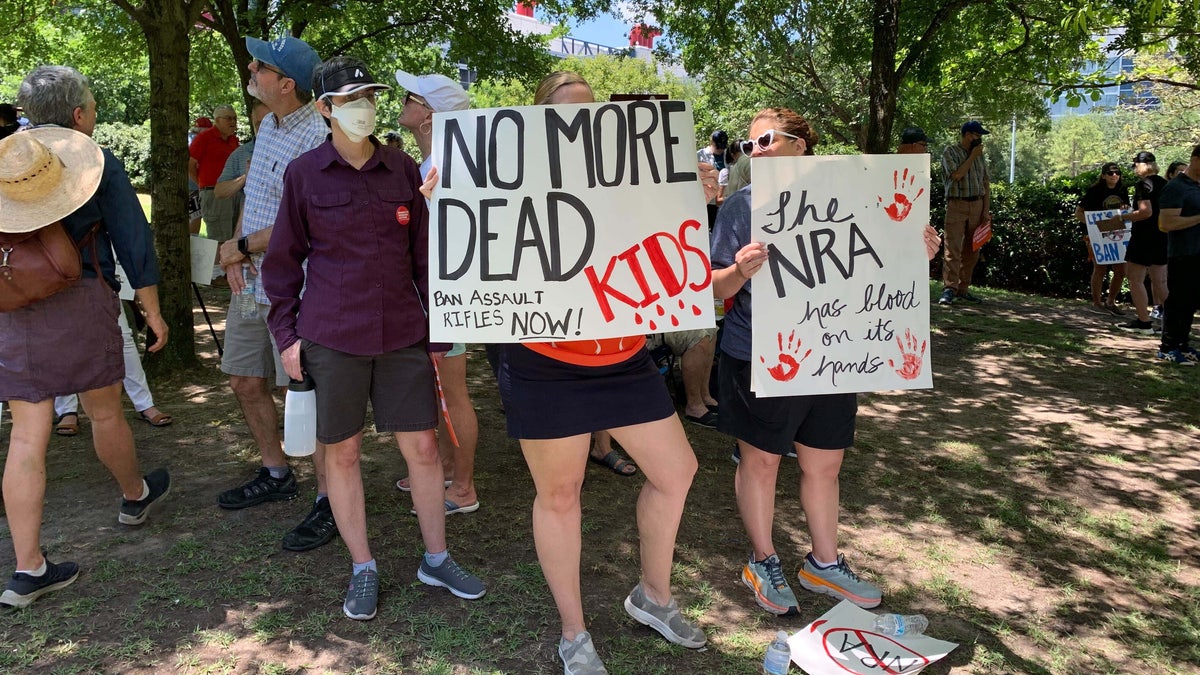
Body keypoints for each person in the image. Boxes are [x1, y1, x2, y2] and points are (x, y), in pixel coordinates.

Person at [466, 71, 708, 674]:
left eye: (590, 112)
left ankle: (652, 597)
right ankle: (574, 633)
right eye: (566, 112)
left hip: (625, 359)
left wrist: (690, 198)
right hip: (546, 364)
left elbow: (668, 254)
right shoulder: (508, 181)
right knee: (560, 494)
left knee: (677, 472)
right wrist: (448, 205)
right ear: (539, 123)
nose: (582, 123)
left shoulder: (631, 180)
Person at [262, 56, 485, 621]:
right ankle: (363, 566)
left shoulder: (405, 170)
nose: (364, 106)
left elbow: (425, 259)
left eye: (370, 95)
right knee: (342, 453)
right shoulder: (305, 174)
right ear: (325, 108)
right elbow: (283, 263)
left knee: (425, 449)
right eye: (351, 97)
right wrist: (286, 336)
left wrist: (441, 325)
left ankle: (436, 557)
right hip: (330, 336)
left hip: (404, 334)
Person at [1, 66, 171, 608]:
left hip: (14, 308)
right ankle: (132, 496)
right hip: (83, 299)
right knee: (106, 412)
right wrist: (153, 311)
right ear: (77, 115)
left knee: (27, 437)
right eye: (93, 107)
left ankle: (27, 569)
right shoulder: (94, 162)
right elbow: (131, 236)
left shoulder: (8, 157)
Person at [711, 107, 883, 618]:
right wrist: (739, 271)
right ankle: (763, 559)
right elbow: (711, 285)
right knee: (760, 461)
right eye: (748, 146)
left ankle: (823, 564)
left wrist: (913, 251)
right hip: (758, 355)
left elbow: (878, 260)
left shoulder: (850, 198)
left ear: (801, 144)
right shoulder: (740, 207)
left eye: (764, 140)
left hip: (831, 351)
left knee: (824, 463)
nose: (754, 151)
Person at [214, 36, 335, 553]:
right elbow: (259, 197)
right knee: (244, 378)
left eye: (261, 66)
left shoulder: (320, 135)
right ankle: (276, 471)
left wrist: (239, 245)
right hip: (252, 280)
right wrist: (235, 250)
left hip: (297, 286)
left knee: (308, 393)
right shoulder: (266, 126)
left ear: (286, 84)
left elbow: (300, 222)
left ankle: (331, 500)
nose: (251, 68)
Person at [392, 70, 481, 512]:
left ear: (428, 115)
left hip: (448, 295)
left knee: (453, 389)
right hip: (427, 295)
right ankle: (446, 469)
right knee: (437, 387)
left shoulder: (448, 167)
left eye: (410, 97)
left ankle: (463, 488)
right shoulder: (430, 163)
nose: (401, 102)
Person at [53, 299, 172, 436]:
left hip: (103, 282)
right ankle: (66, 409)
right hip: (57, 283)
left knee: (122, 337)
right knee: (63, 339)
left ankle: (145, 404)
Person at [1155, 144, 1200, 365]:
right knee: (1178, 301)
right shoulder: (1176, 187)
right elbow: (1165, 223)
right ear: (1196, 160)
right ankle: (1168, 347)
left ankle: (1182, 344)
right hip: (1183, 254)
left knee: (1191, 302)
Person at [938, 120, 991, 306]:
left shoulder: (980, 157)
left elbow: (985, 183)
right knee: (953, 248)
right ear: (968, 135)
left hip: (977, 205)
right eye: (978, 135)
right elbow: (956, 175)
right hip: (957, 205)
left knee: (973, 249)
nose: (980, 139)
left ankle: (963, 289)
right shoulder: (950, 152)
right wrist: (972, 156)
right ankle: (949, 289)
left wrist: (986, 211)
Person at [1122, 151, 1169, 332]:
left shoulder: (1143, 184)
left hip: (1143, 237)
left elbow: (1145, 211)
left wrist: (1124, 217)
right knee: (1161, 282)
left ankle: (1143, 321)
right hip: (1162, 235)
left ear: (1141, 165)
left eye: (1135, 165)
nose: (1134, 169)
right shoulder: (1165, 184)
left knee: (1135, 279)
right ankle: (1171, 325)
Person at [1075, 162, 1129, 316]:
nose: (1114, 176)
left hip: (1117, 234)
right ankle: (1097, 303)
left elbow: (1126, 210)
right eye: (1111, 173)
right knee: (1100, 268)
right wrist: (1092, 226)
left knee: (1121, 270)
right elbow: (1079, 213)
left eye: (1117, 173)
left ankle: (1110, 302)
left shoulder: (1122, 189)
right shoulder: (1094, 191)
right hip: (1096, 234)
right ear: (1103, 175)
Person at [213, 100, 269, 228]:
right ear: (252, 119)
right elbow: (219, 191)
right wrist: (245, 177)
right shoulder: (240, 154)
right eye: (259, 124)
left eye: (270, 122)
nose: (265, 128)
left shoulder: (295, 148)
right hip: (251, 229)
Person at [189, 104, 240, 246]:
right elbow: (190, 164)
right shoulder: (204, 138)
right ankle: (216, 268)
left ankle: (229, 268)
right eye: (228, 118)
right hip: (213, 193)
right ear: (217, 120)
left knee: (234, 238)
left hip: (233, 193)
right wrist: (200, 183)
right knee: (218, 240)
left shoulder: (233, 140)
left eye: (235, 119)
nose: (233, 122)